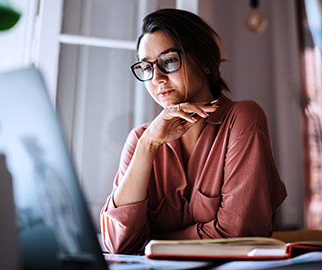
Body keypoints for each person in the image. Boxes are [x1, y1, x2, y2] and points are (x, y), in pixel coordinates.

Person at [100, 8, 287, 255]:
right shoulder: (140, 139)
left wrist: (150, 241)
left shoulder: (242, 119)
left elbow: (238, 235)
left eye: (168, 61)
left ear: (206, 63)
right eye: (146, 67)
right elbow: (117, 244)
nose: (156, 77)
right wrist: (148, 145)